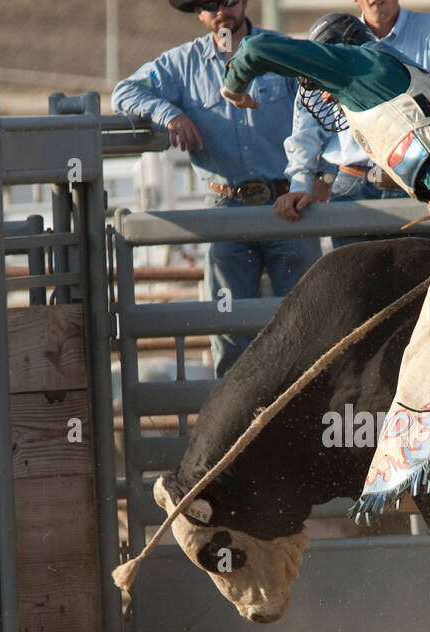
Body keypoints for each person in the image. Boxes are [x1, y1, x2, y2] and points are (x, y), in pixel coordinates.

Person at [220, 13, 430, 537]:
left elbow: (256, 49)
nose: (318, 92)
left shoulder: (361, 67)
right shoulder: (397, 74)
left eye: (317, 77)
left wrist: (235, 84)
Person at [111, 0, 322, 377]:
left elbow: (319, 111)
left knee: (306, 322)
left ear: (245, 2)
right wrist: (169, 113)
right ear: (199, 12)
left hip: (287, 204)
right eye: (210, 3)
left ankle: (301, 422)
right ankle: (238, 430)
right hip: (225, 208)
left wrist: (316, 182)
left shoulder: (282, 52)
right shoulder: (180, 65)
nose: (221, 10)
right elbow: (125, 92)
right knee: (228, 331)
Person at [274, 0, 430, 248]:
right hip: (355, 184)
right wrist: (301, 182)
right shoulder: (330, 36)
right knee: (356, 284)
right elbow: (307, 119)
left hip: (415, 179)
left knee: (419, 283)